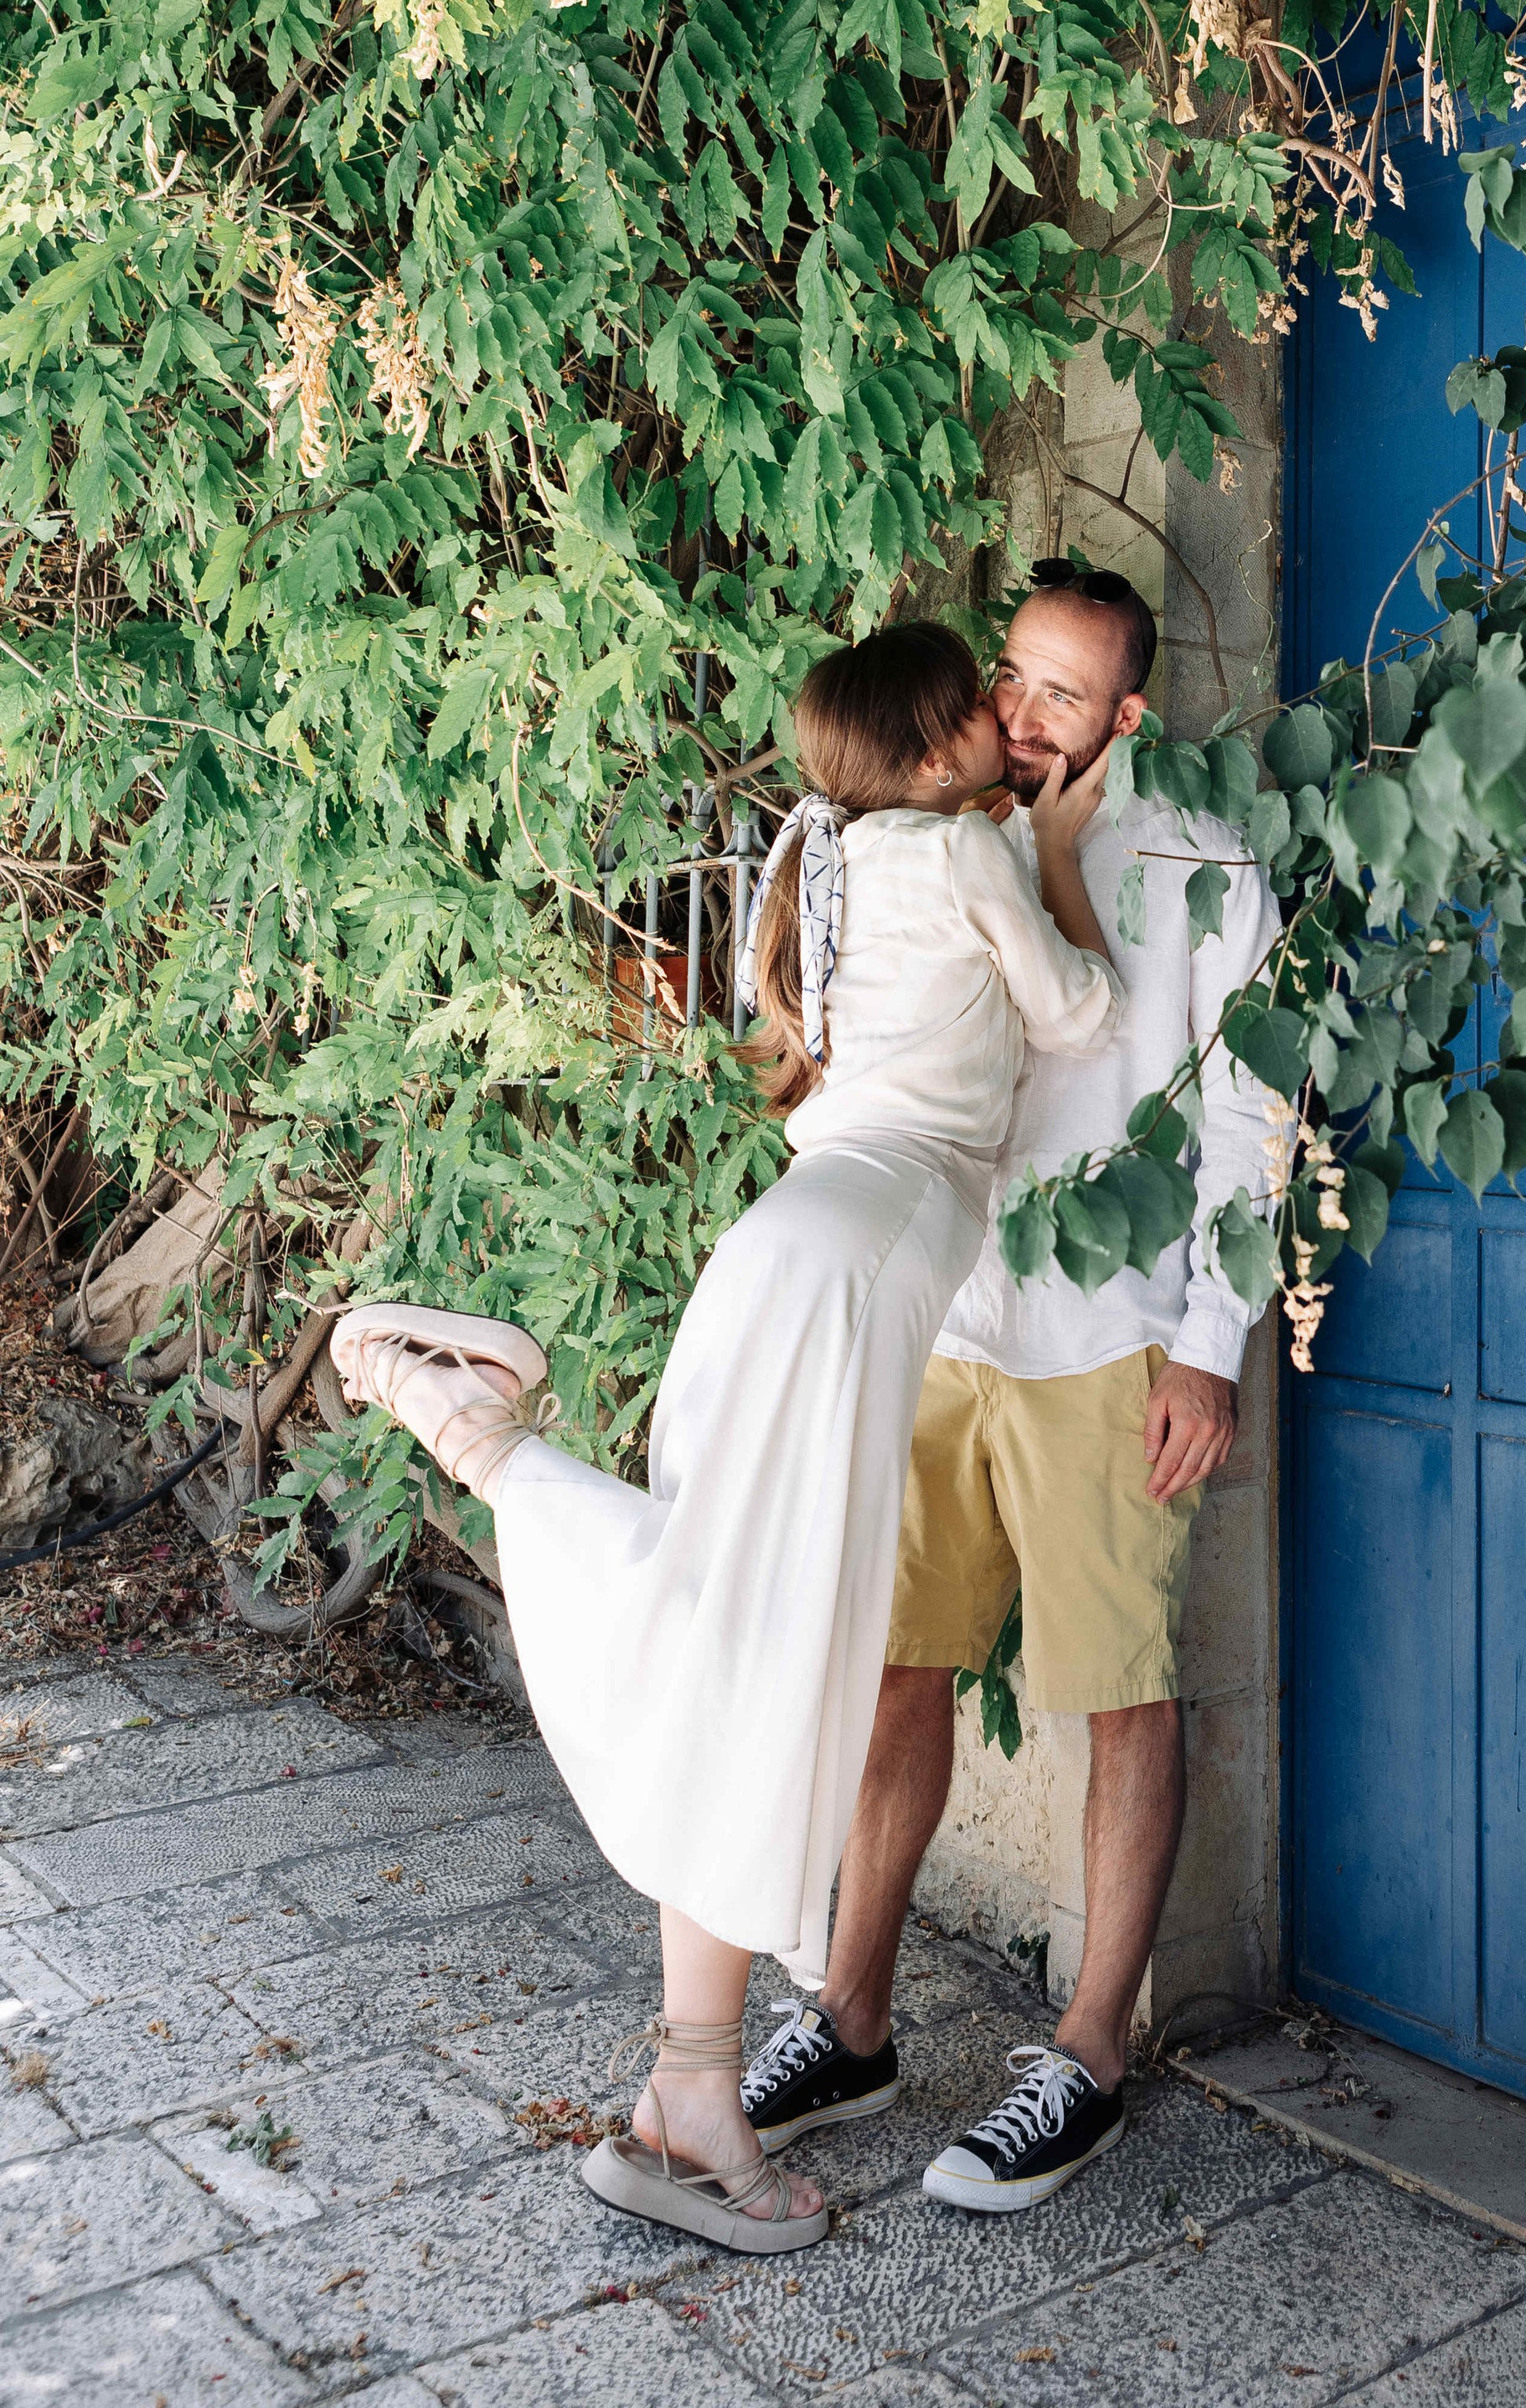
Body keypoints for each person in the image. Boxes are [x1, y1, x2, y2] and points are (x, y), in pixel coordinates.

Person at [327, 621, 1124, 2257]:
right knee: (756, 1652)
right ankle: (452, 1411)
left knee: (734, 1640)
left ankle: (689, 2096)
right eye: (983, 703)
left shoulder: (829, 864)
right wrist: (1052, 855)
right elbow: (1087, 1016)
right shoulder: (963, 855)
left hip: (792, 1258)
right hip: (841, 1282)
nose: (1005, 713)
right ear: (930, 755)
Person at [737, 565, 1281, 2215]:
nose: (1028, 718)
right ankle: (849, 2017)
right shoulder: (914, 843)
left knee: (1119, 1685)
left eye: (1068, 696)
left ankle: (1089, 2047)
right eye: (1014, 681)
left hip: (1107, 1338)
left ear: (1126, 717)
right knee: (896, 1672)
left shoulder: (1197, 867)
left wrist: (1209, 1343)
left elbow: (1258, 1116)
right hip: (933, 1318)